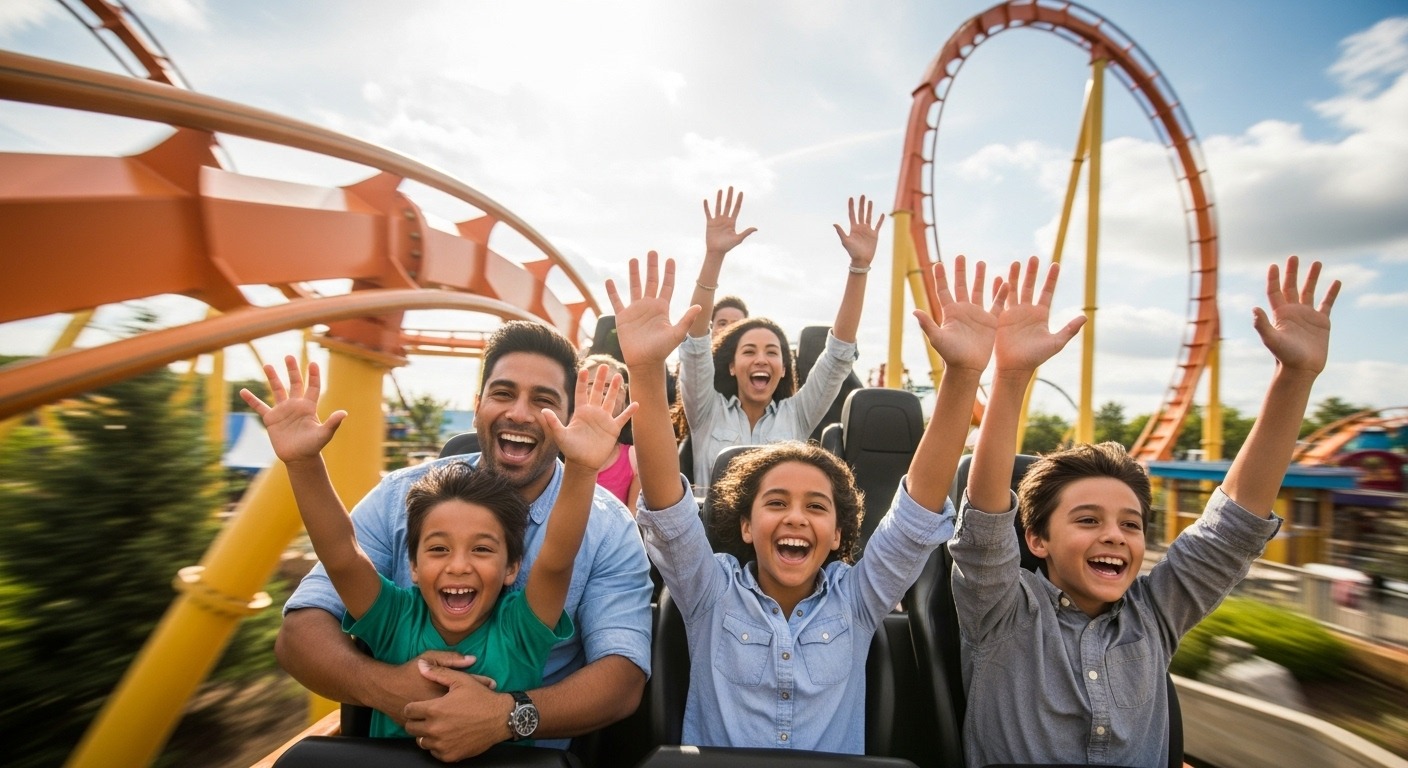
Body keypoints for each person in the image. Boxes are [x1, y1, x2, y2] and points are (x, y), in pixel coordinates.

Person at [953, 255, 1339, 768]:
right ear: (1036, 539)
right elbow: (985, 526)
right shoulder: (1002, 612)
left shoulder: (1154, 615)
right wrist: (1012, 378)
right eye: (1088, 520)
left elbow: (1232, 529)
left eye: (1130, 524)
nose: (1114, 535)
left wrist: (1295, 377)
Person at [609, 250, 1000, 752]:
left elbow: (915, 516)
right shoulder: (708, 591)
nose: (796, 516)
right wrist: (644, 370)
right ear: (745, 526)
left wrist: (964, 375)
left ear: (839, 534)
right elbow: (668, 512)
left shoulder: (858, 601)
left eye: (816, 506)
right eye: (776, 503)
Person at [276, 321, 654, 762]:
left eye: (544, 401)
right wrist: (387, 688)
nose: (519, 413)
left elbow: (560, 564)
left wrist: (504, 717)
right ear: (476, 407)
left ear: (512, 567)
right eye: (503, 393)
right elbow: (338, 564)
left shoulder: (527, 622)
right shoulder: (397, 595)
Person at [678, 187, 883, 489]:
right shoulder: (706, 410)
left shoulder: (798, 415)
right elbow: (694, 345)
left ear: (784, 368)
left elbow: (838, 355)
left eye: (772, 352)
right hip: (709, 535)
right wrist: (714, 256)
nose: (761, 358)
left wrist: (859, 268)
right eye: (749, 351)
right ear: (732, 366)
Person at [580, 353, 641, 507]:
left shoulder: (635, 459)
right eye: (595, 384)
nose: (606, 392)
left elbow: (634, 521)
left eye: (615, 387)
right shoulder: (557, 451)